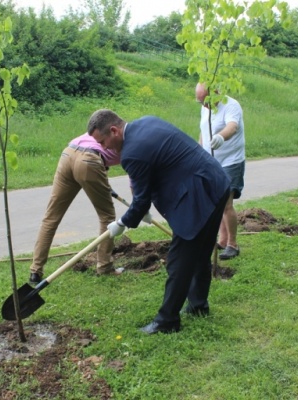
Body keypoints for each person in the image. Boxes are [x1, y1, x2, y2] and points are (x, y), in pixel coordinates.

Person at [87, 109, 230, 334]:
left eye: (103, 141)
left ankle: (167, 321)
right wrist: (140, 208)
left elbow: (142, 200)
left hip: (198, 195)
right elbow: (158, 171)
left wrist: (122, 222)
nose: (104, 148)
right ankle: (198, 306)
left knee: (178, 260)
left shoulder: (132, 153)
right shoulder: (146, 122)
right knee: (201, 252)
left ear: (114, 130)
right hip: (215, 182)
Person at [29, 132, 123, 284]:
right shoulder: (128, 143)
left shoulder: (108, 128)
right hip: (89, 161)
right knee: (107, 216)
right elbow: (133, 174)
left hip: (68, 153)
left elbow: (101, 159)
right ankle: (104, 267)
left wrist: (103, 182)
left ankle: (35, 271)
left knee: (51, 218)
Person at [196, 83, 245, 260]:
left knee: (226, 204)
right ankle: (223, 241)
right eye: (200, 102)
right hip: (211, 162)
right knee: (216, 203)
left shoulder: (231, 105)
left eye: (205, 101)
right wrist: (199, 152)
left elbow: (233, 126)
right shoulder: (206, 108)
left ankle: (233, 244)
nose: (203, 105)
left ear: (215, 93)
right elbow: (203, 131)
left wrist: (220, 137)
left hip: (231, 161)